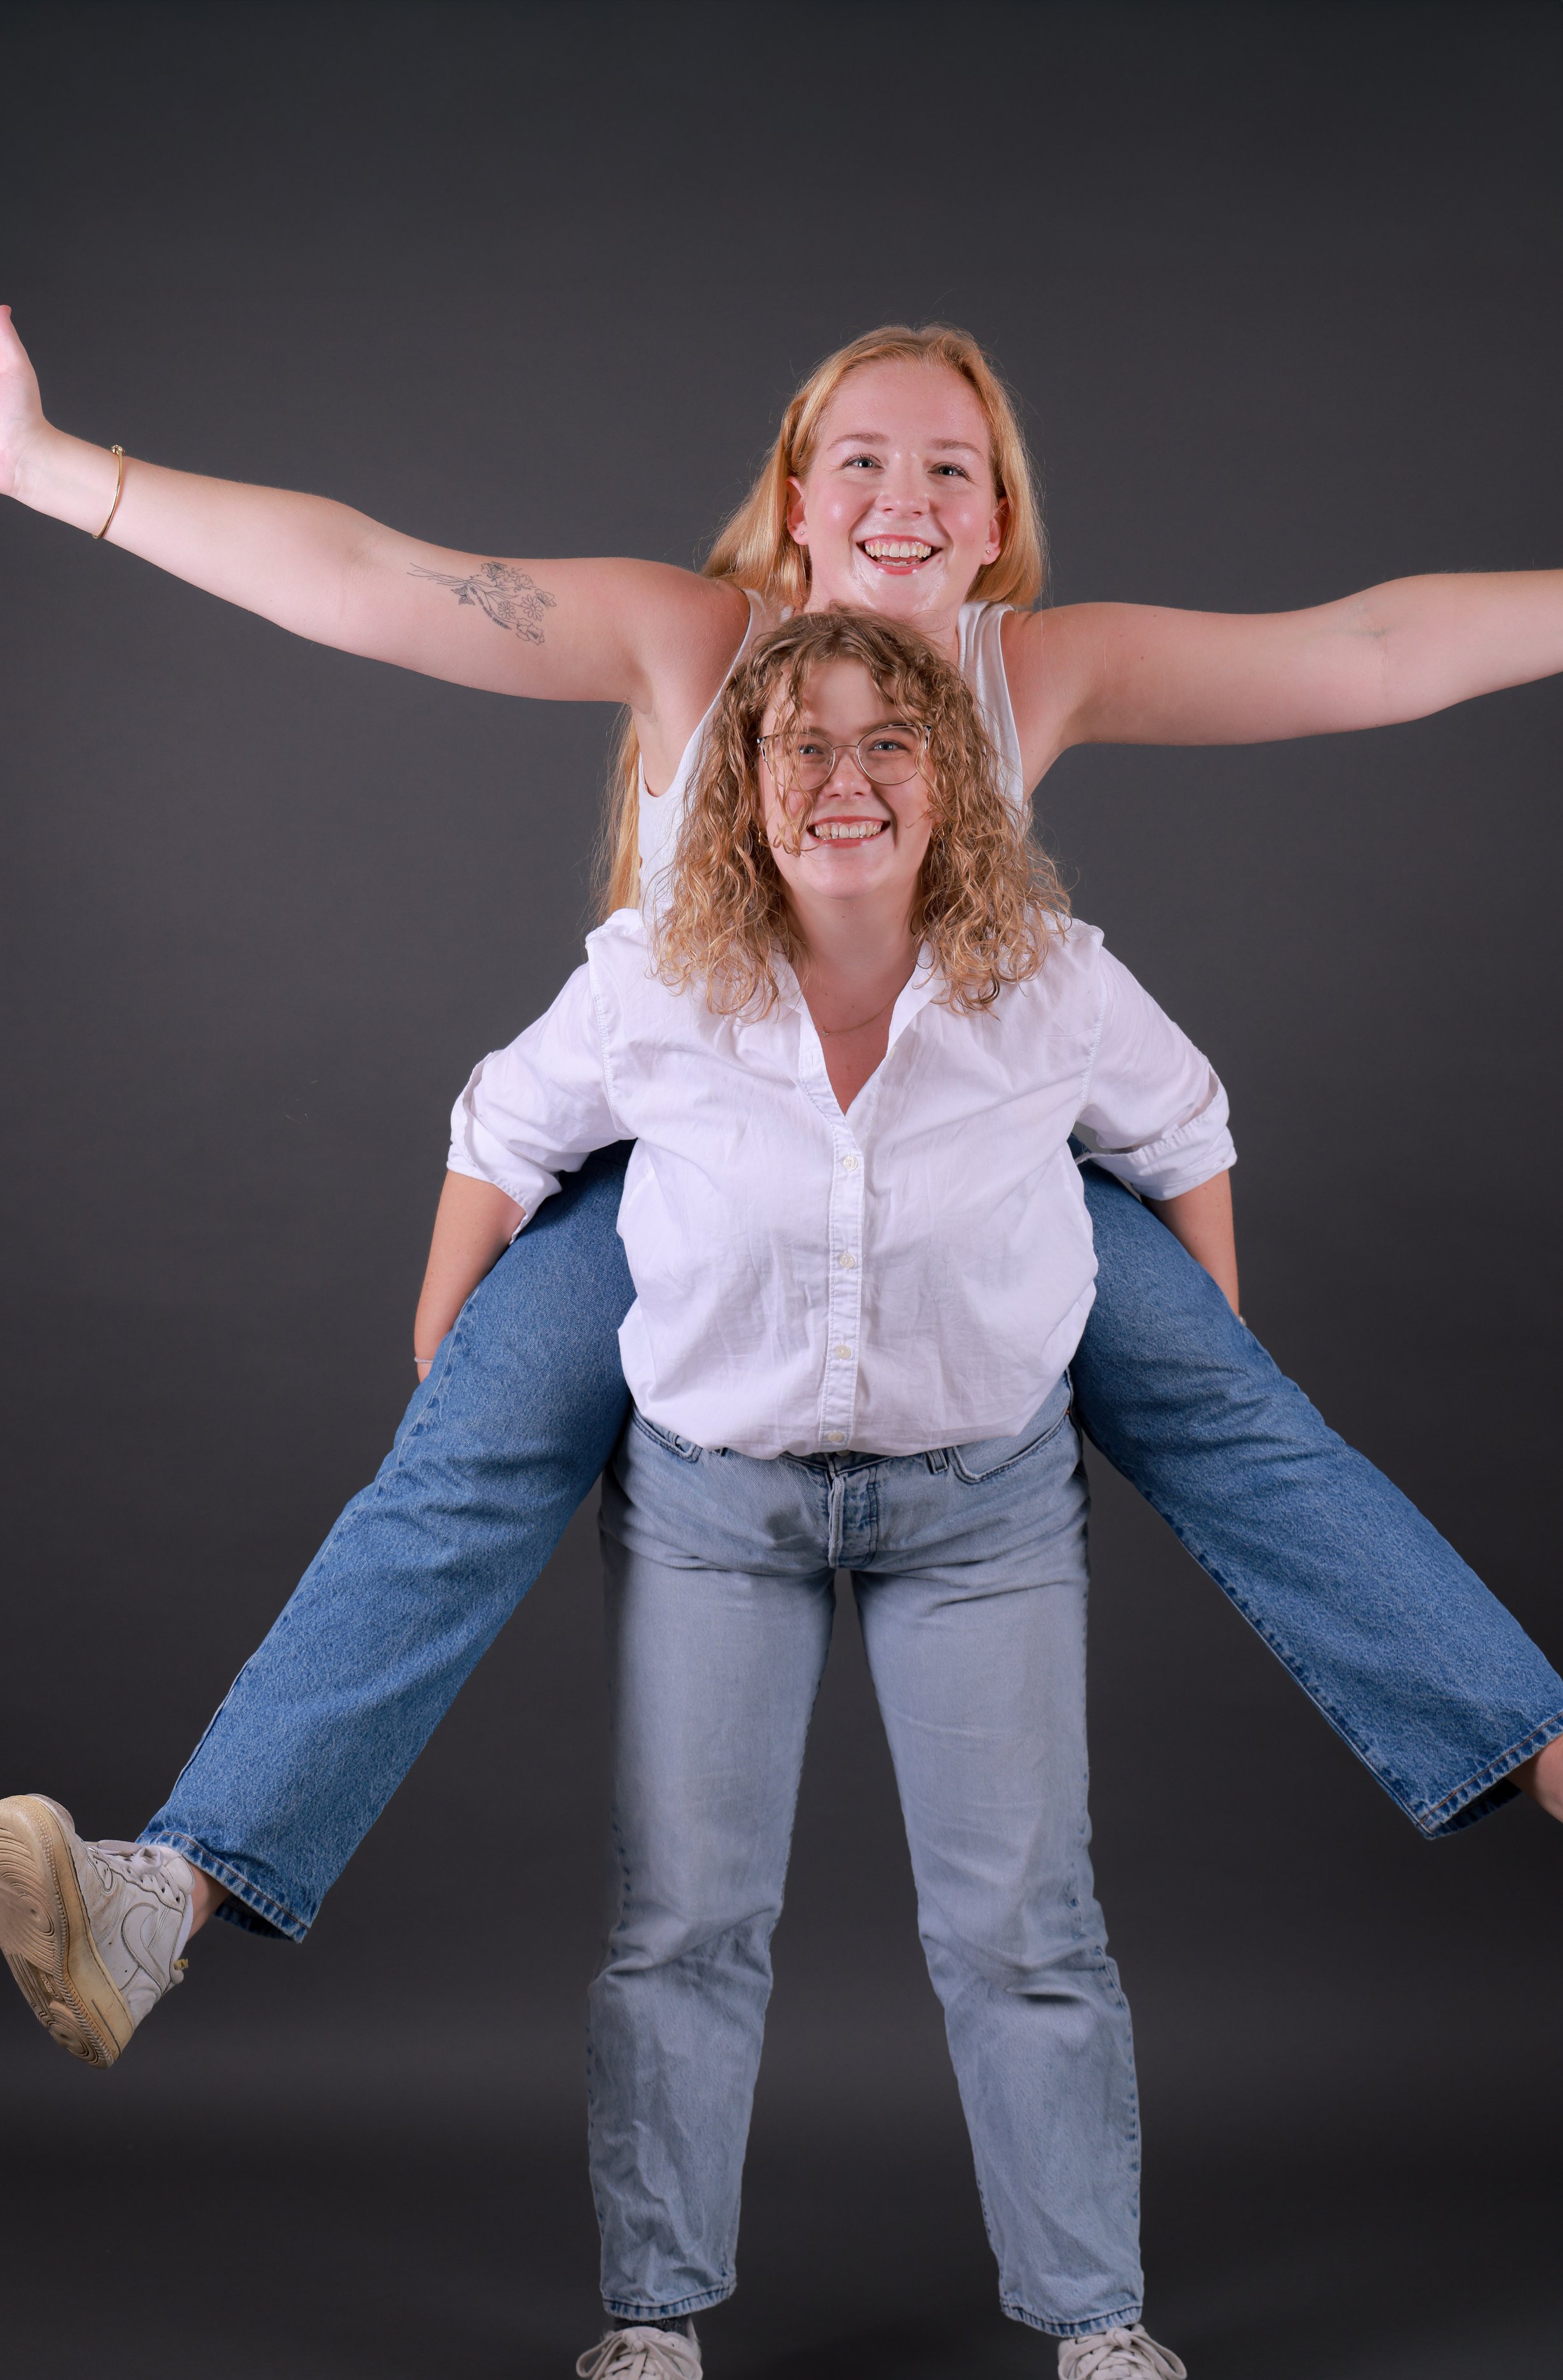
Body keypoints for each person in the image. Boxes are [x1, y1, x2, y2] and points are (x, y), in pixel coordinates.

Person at [0, 318, 1562, 2066]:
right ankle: (170, 1892)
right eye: (863, 462)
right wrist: (52, 472)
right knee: (460, 1455)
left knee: (1247, 1422)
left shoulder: (1028, 672)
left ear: (993, 522)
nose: (905, 496)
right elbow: (377, 573)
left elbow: (1372, 645)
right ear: (799, 503)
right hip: (687, 1179)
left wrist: (1185, 1327)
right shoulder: (687, 640)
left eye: (948, 467)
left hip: (962, 1172)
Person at [457, 609, 1216, 2376]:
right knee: (683, 1922)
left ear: (945, 779)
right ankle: (652, 2317)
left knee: (1022, 1924)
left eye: (887, 742)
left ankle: (1095, 2320)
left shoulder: (1048, 974)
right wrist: (449, 1352)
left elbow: (1186, 1132)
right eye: (798, 742)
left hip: (984, 1510)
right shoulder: (658, 969)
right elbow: (499, 1129)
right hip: (717, 1506)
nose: (843, 778)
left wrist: (1194, 1366)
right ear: (742, 780)